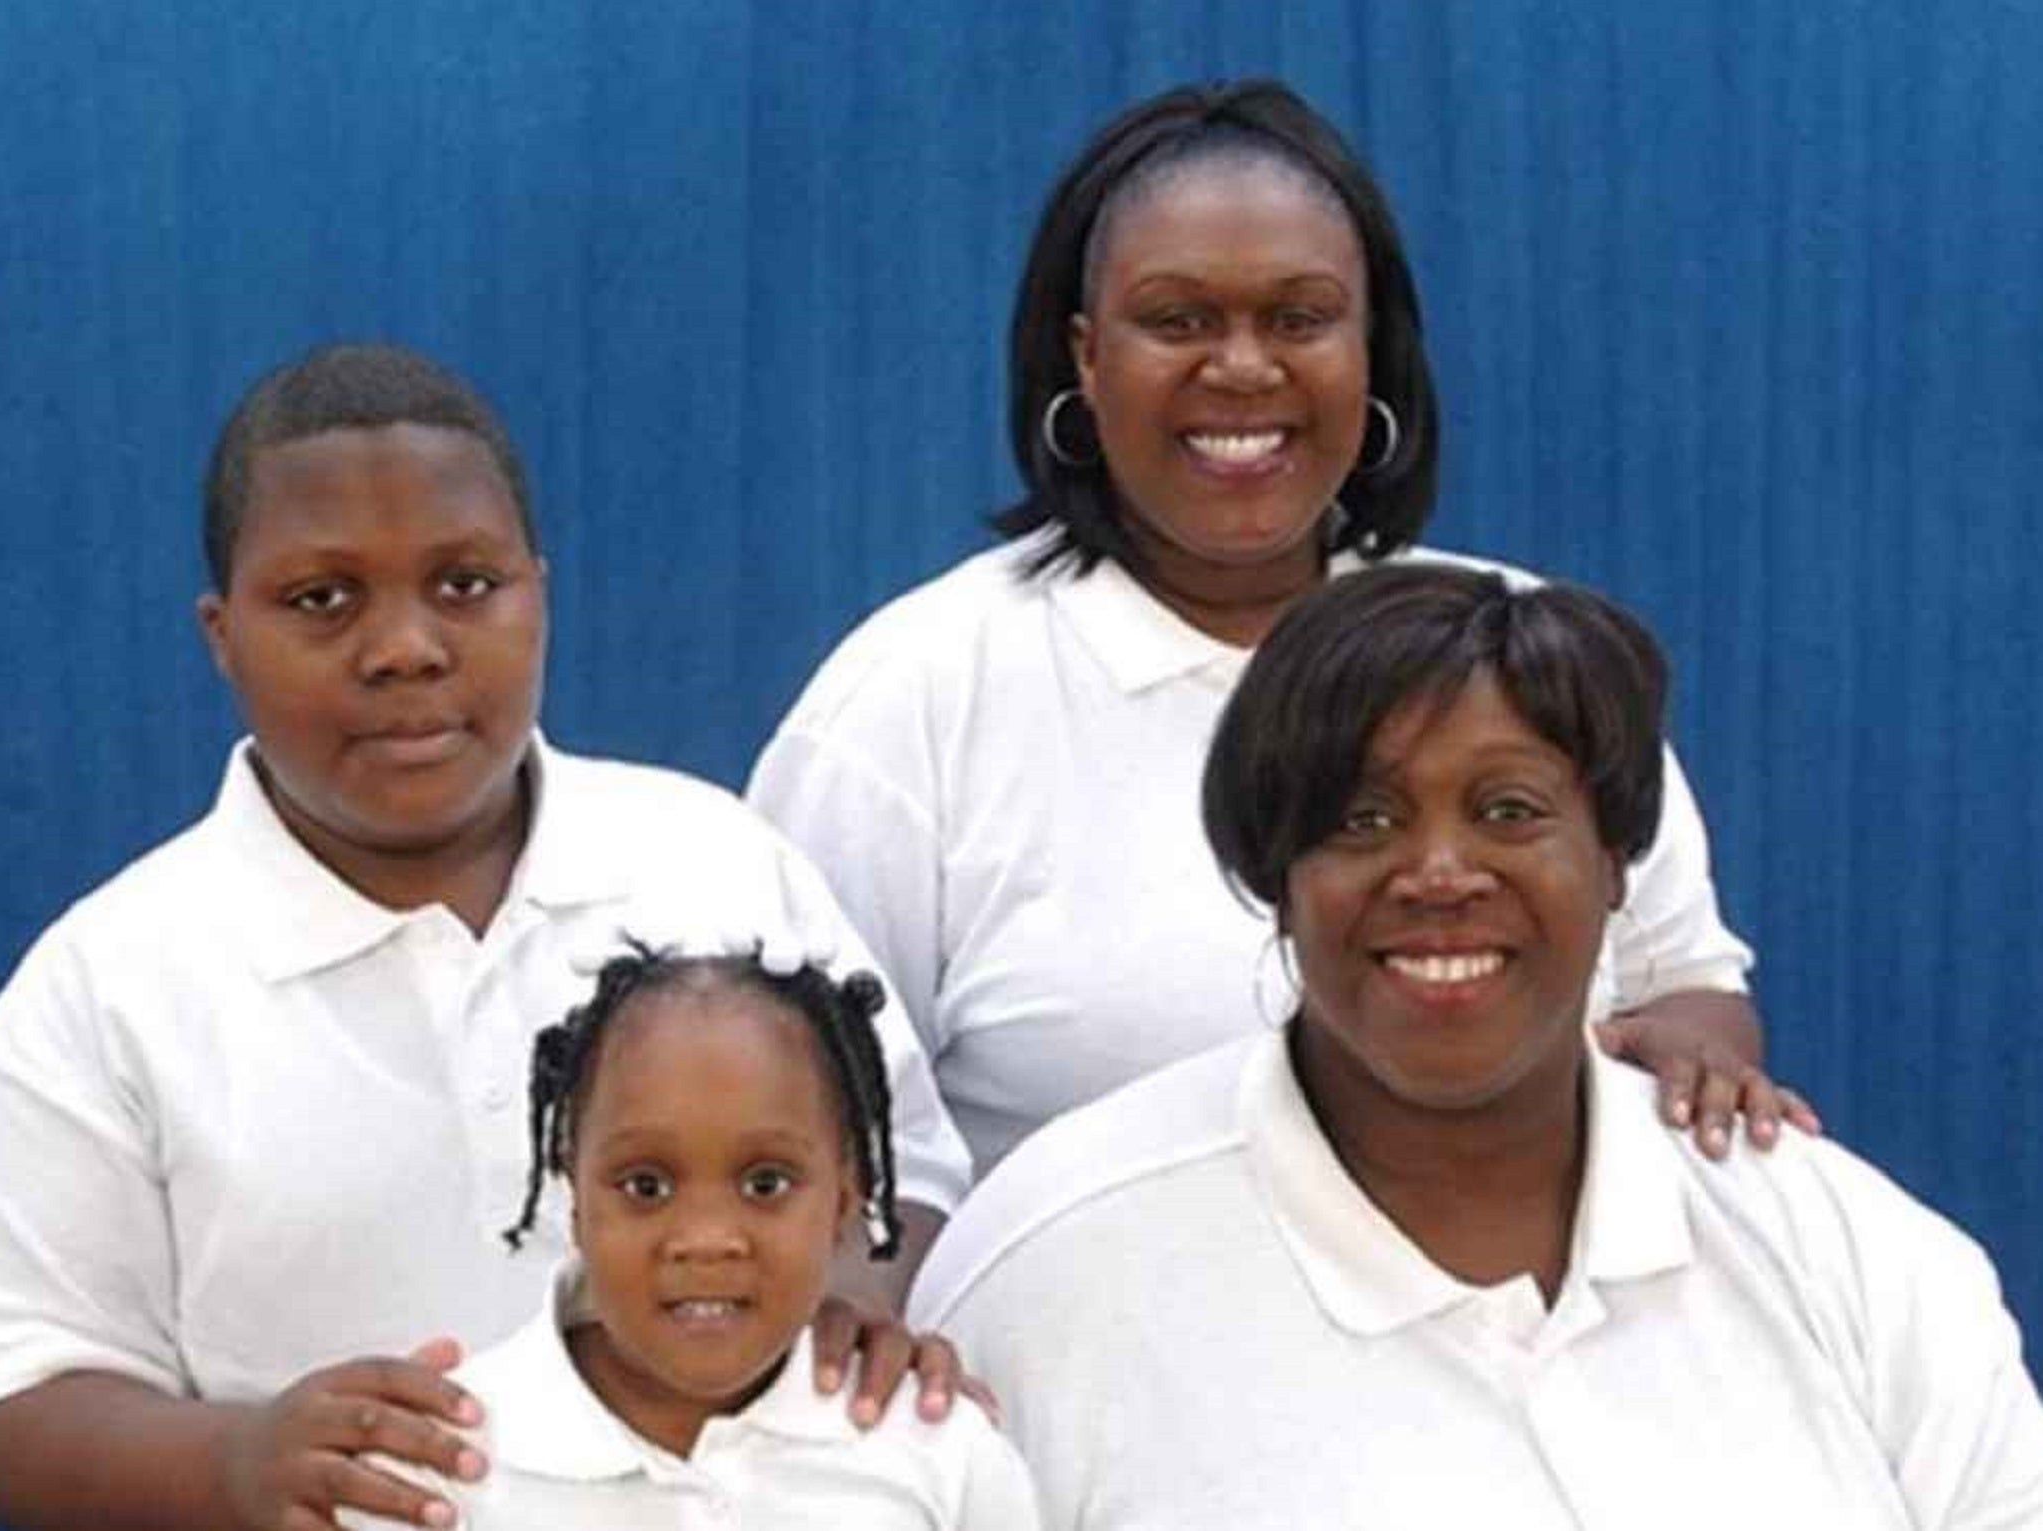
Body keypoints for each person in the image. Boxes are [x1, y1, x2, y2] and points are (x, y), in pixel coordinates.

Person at [748, 79, 1813, 1180]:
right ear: (1084, 355)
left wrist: (1698, 1058)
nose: (1244, 367)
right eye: (1178, 321)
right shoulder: (914, 694)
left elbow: (1682, 982)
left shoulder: (1510, 647)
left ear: (1369, 350)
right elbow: (801, 1125)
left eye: (1299, 319)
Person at [0, 345, 974, 1531]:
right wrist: (237, 1462)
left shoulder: (712, 865)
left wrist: (852, 1301)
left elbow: (905, 1173)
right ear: (221, 633)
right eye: (322, 599)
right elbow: (25, 1388)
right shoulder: (110, 984)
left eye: (464, 585)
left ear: (539, 593)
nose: (405, 647)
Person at [908, 564, 2043, 1527]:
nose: (1440, 874)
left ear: (1614, 863)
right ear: (1274, 878)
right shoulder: (1053, 1272)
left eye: (1508, 811)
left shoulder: (1854, 1257)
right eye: (1362, 819)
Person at [340, 941, 1039, 1530]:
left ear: (844, 1200)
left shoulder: (939, 1454)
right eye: (646, 1186)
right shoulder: (441, 1460)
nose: (706, 1239)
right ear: (573, 1193)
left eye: (765, 1183)